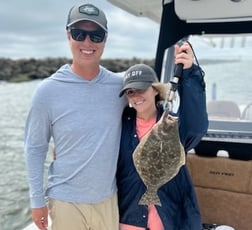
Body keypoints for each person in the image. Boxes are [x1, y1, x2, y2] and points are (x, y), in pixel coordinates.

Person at [24, 3, 126, 230]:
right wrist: (36, 200)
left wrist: (188, 73)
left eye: (96, 35)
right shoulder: (46, 91)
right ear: (68, 34)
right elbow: (35, 148)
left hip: (108, 200)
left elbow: (157, 101)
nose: (87, 43)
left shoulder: (120, 86)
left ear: (105, 39)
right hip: (65, 201)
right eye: (79, 34)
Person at [117, 45, 208, 229]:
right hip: (129, 218)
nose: (136, 96)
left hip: (169, 219)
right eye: (130, 92)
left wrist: (190, 73)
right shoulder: (121, 124)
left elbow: (196, 125)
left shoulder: (171, 124)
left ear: (155, 90)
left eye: (141, 89)